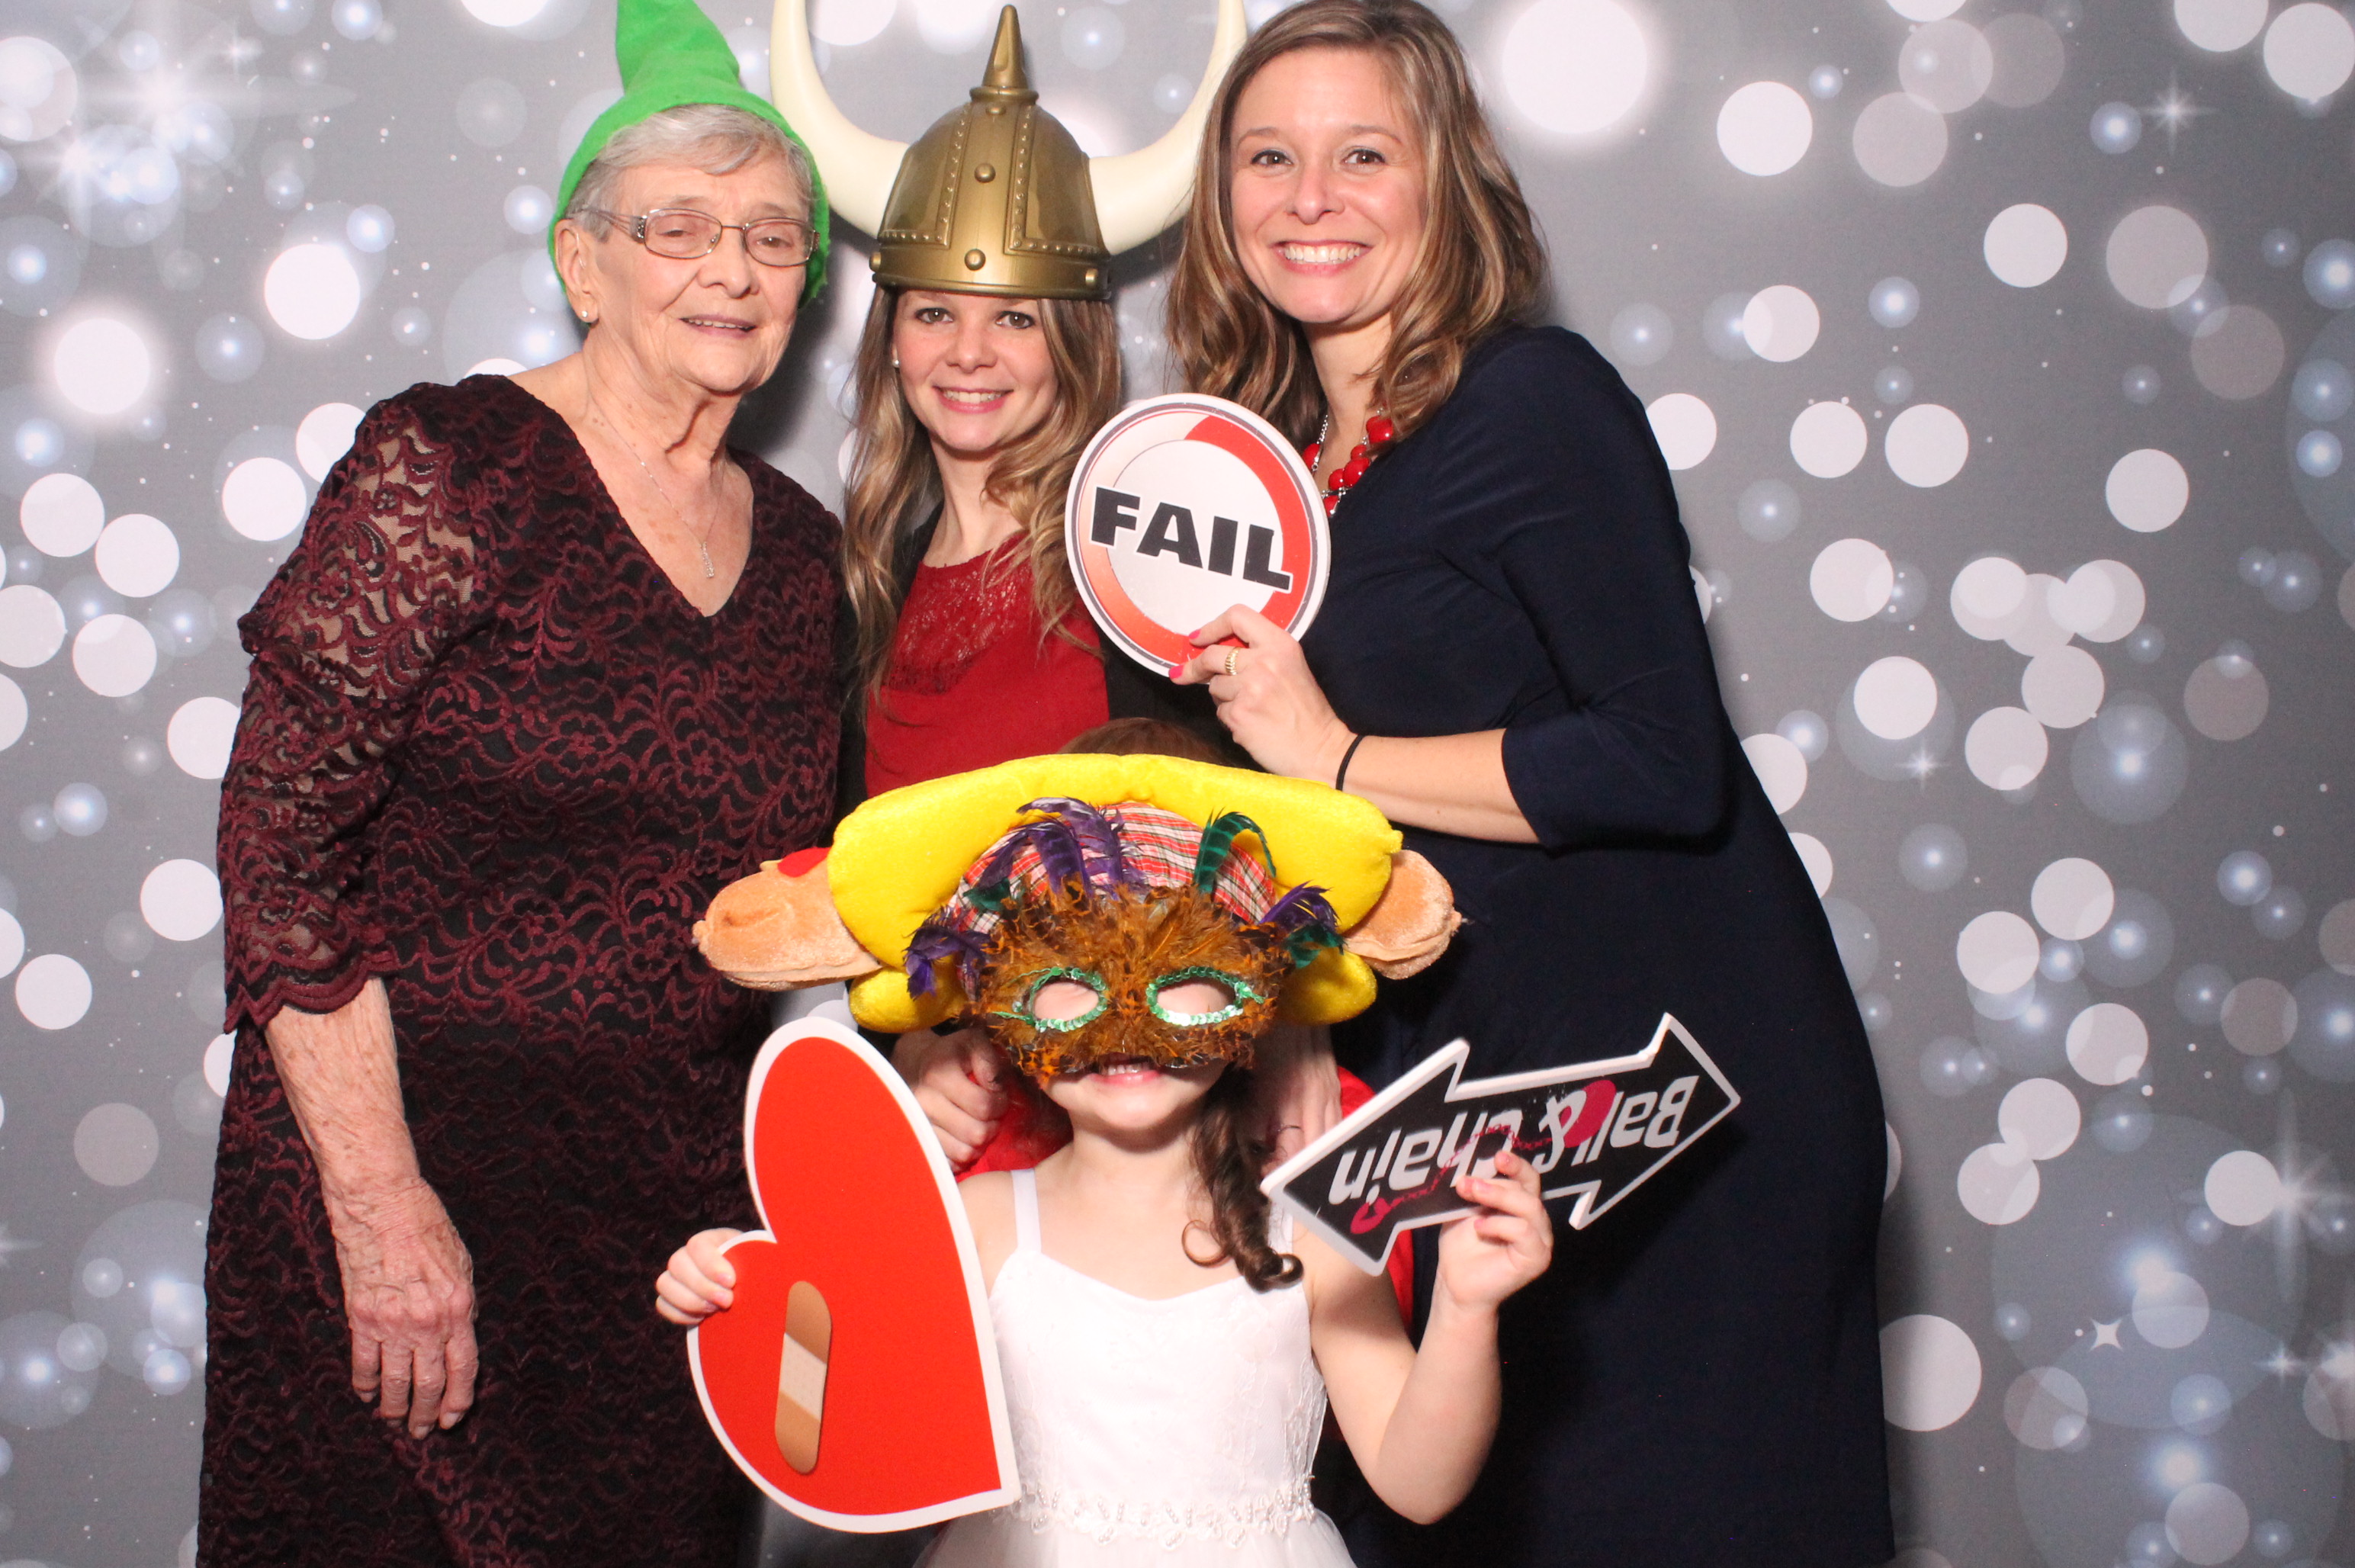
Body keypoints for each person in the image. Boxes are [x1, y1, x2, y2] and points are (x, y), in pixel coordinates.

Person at [1164, 4, 1895, 1565]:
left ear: (1445, 175)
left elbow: (1659, 754)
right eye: (1268, 158)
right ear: (1219, 199)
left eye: (1362, 154)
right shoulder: (1269, 463)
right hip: (1471, 1106)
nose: (1310, 197)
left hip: (1676, 1098)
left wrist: (1334, 754)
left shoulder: (1532, 400)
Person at [198, 0, 838, 1560]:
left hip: (665, 1239)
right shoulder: (450, 466)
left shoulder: (811, 553)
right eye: (676, 228)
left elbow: (795, 897)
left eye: (771, 236)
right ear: (581, 263)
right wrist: (378, 1200)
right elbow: (278, 844)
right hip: (412, 1197)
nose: (730, 270)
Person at [666, 757, 1547, 1566]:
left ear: (1253, 995)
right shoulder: (974, 1225)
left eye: (1173, 972)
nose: (1125, 1030)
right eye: (1070, 983)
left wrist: (1466, 1309)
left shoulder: (1308, 1236)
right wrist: (742, 1297)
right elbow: (846, 1436)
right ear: (1001, 1007)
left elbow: (1419, 1484)